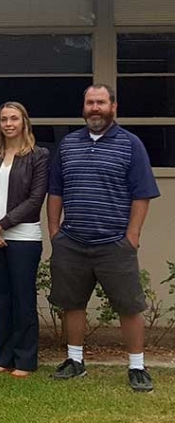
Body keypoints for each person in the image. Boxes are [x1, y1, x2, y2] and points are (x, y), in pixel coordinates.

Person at [47, 84, 160, 392]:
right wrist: (55, 232)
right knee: (72, 303)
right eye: (89, 103)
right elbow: (55, 191)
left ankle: (137, 366)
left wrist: (132, 236)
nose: (94, 108)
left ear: (113, 106)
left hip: (114, 244)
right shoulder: (68, 144)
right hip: (72, 241)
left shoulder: (131, 144)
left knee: (129, 306)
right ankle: (75, 361)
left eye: (100, 102)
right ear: (83, 108)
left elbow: (142, 194)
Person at [0, 102, 48, 378]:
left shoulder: (38, 156)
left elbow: (35, 199)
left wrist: (1, 225)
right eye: (3, 119)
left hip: (24, 237)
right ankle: (3, 357)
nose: (8, 124)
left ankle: (25, 360)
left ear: (24, 122)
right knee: (1, 299)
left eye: (14, 118)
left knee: (23, 299)